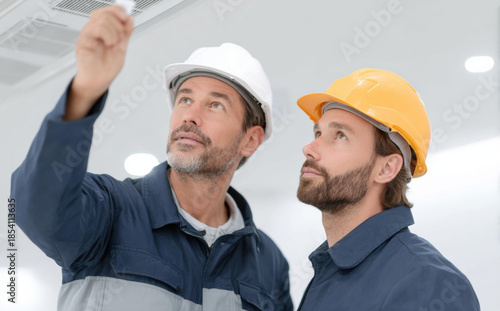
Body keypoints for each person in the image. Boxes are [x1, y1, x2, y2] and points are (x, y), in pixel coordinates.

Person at [10, 5, 292, 311]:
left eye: (216, 106)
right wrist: (85, 91)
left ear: (250, 141)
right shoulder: (111, 210)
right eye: (185, 99)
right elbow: (36, 204)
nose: (190, 116)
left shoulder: (268, 262)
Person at [295, 68, 480, 310]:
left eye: (340, 135)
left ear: (386, 168)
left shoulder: (427, 283)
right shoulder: (329, 270)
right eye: (318, 132)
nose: (309, 148)